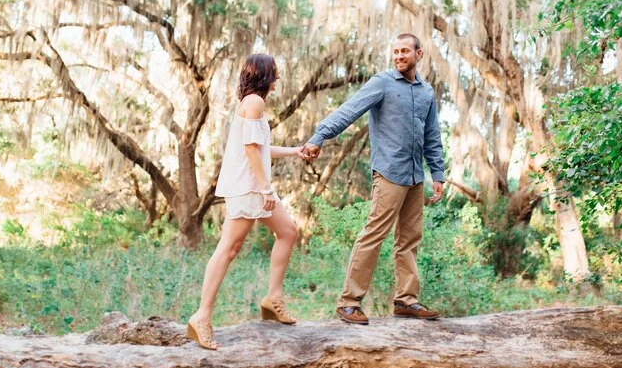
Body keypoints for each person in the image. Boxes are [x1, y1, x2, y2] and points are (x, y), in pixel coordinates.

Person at [302, 33, 445, 324]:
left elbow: (432, 136)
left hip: (416, 175)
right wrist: (320, 136)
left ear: (419, 54)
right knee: (374, 234)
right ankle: (349, 302)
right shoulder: (382, 83)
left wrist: (438, 174)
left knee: (409, 240)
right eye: (395, 51)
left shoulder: (427, 92)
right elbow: (350, 110)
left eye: (405, 51)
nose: (399, 56)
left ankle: (407, 300)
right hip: (390, 172)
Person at [187, 53, 303, 350]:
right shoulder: (254, 102)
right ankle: (202, 317)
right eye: (275, 71)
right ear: (265, 74)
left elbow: (261, 148)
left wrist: (296, 151)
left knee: (288, 231)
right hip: (248, 187)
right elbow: (251, 149)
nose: (278, 76)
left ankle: (273, 298)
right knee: (229, 248)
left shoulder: (253, 104)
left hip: (256, 186)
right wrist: (265, 189)